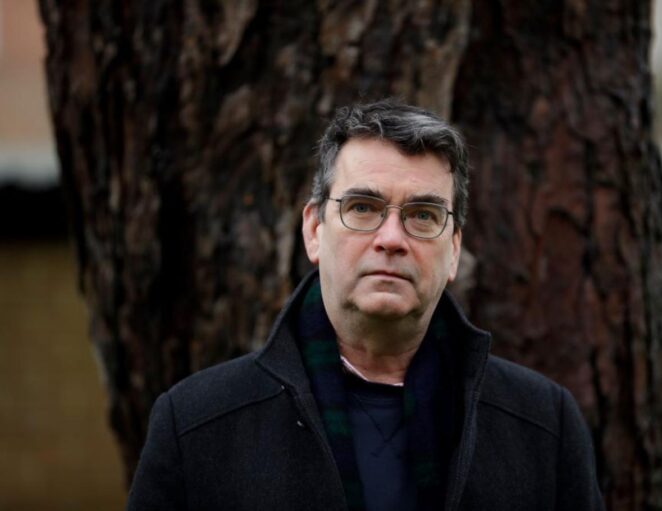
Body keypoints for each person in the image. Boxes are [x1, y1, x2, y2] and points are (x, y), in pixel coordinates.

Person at [127, 100, 605, 511]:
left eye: (423, 215)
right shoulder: (196, 426)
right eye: (362, 208)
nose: (391, 239)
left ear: (454, 249)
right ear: (314, 230)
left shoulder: (545, 426)